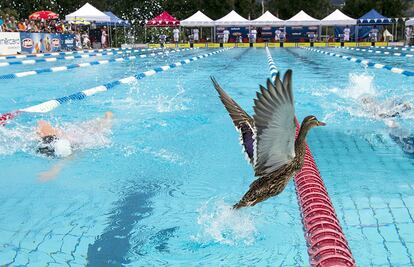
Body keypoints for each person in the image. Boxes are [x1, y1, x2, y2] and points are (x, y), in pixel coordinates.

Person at [36, 111, 113, 158]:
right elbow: (41, 122)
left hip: (77, 134)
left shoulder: (61, 141)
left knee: (100, 129)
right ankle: (108, 117)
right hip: (82, 135)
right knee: (101, 130)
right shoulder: (74, 145)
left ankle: (108, 117)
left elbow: (41, 122)